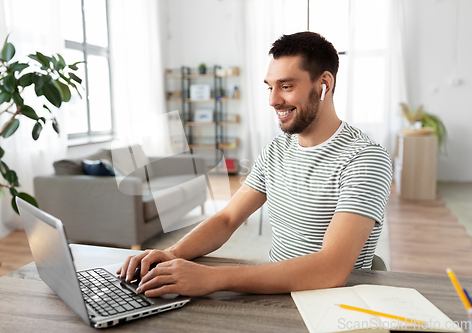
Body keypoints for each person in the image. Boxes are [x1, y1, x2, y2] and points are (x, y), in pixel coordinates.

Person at [117, 31, 392, 297]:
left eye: (286, 86)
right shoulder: (276, 149)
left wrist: (212, 278)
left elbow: (330, 270)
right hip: (275, 293)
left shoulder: (365, 159)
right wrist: (172, 253)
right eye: (270, 87)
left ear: (324, 84)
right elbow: (227, 219)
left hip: (331, 303)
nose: (273, 100)